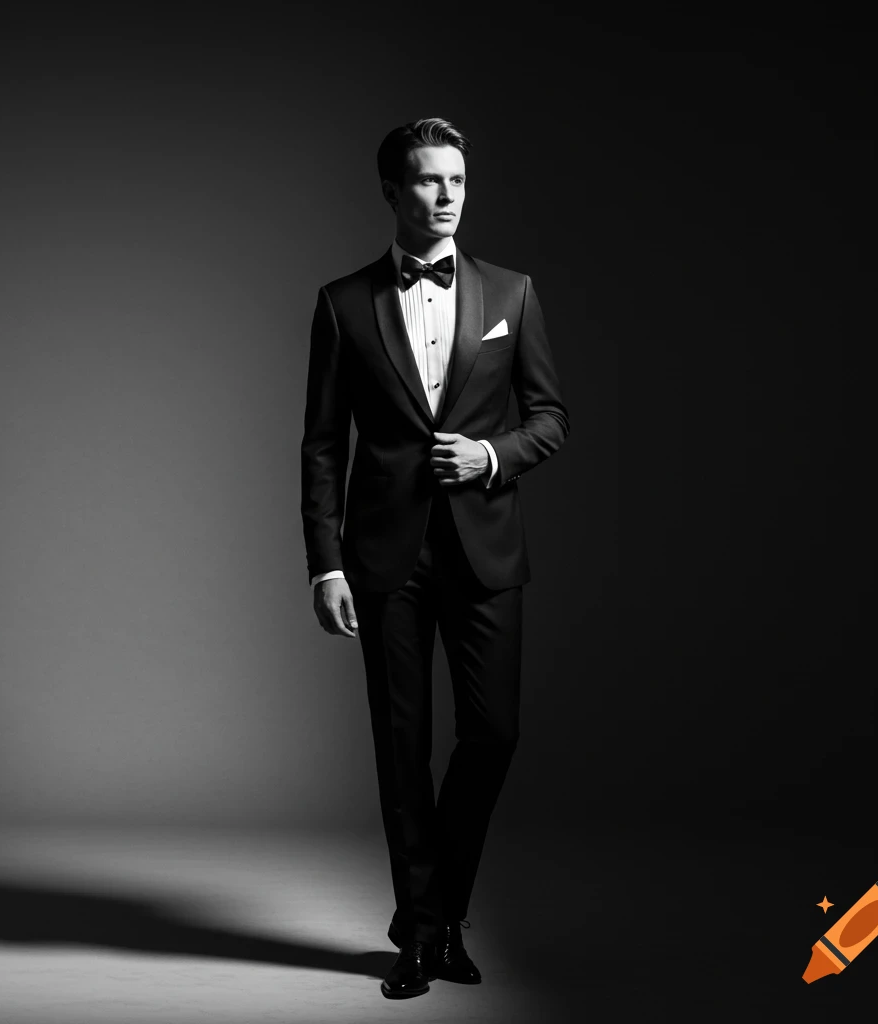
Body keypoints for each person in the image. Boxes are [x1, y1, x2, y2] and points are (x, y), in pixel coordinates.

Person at [300, 117, 569, 999]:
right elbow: (322, 446)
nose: (447, 194)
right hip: (385, 560)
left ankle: (437, 908)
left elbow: (550, 418)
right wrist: (326, 564)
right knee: (401, 749)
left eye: (457, 178)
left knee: (493, 734)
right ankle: (423, 936)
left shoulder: (513, 292)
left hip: (486, 552)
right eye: (427, 179)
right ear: (392, 191)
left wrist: (490, 456)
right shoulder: (342, 303)